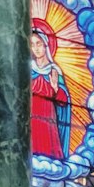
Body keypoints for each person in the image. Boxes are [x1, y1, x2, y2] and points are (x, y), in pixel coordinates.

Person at [31, 18, 71, 159]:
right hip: (29, 118)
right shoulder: (27, 70)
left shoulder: (54, 71)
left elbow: (64, 102)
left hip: (47, 119)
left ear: (46, 46)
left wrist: (56, 89)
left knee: (48, 154)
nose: (35, 48)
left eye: (39, 44)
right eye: (32, 45)